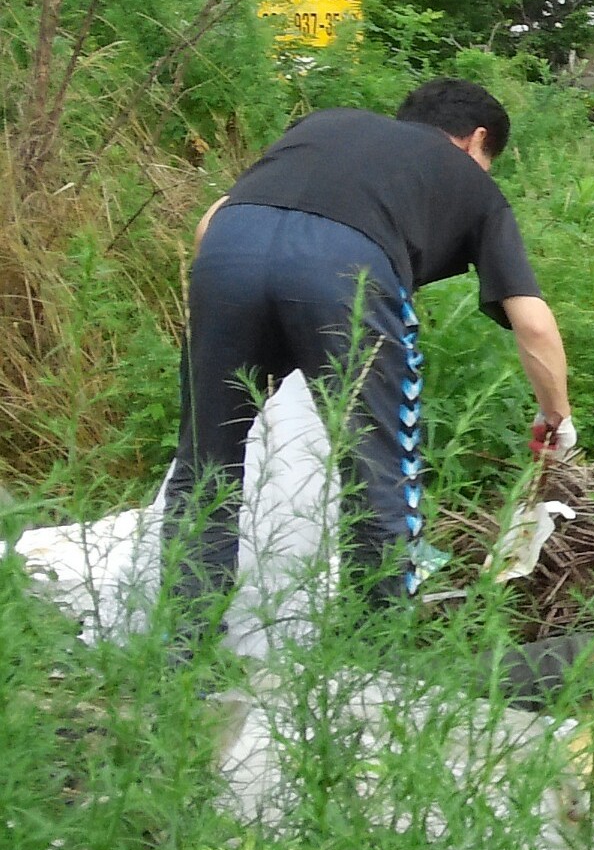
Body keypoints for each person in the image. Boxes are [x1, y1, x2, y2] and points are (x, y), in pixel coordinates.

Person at [162, 80, 572, 616]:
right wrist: (557, 419)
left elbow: (210, 222)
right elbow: (533, 325)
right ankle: (376, 643)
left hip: (225, 256)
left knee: (205, 466)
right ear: (476, 140)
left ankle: (184, 642)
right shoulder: (470, 180)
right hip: (344, 271)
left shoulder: (325, 126)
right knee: (377, 472)